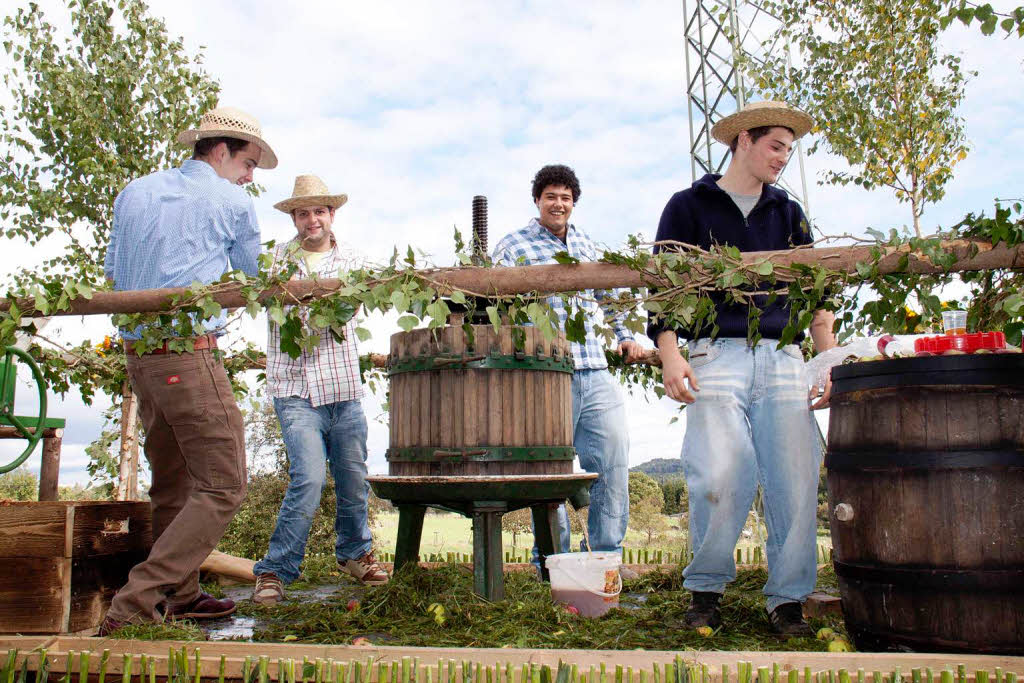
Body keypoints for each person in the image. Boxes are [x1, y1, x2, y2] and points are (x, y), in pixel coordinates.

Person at [648, 101, 836, 636]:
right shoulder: (688, 206)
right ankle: (706, 591)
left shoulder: (789, 214)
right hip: (714, 352)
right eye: (776, 146)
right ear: (744, 141)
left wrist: (825, 360)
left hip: (783, 356)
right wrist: (670, 352)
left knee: (795, 478)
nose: (783, 158)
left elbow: (816, 294)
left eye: (790, 150)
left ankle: (788, 599)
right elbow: (663, 288)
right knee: (719, 471)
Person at [100, 105, 277, 634]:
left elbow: (113, 273)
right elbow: (253, 278)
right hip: (185, 352)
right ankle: (135, 603)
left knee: (173, 483)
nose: (250, 177)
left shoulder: (134, 192)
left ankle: (180, 595)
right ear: (220, 151)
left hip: (140, 357)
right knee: (225, 483)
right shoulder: (232, 201)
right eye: (248, 163)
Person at [492, 164, 645, 559]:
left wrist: (626, 338)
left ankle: (605, 554)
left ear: (573, 202)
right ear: (537, 200)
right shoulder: (514, 247)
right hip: (543, 376)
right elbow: (495, 310)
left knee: (612, 464)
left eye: (565, 197)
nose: (558, 204)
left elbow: (612, 300)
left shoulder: (589, 247)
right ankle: (552, 560)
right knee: (549, 474)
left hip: (594, 370)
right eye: (551, 196)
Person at [250, 175, 387, 605]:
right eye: (303, 212)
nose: (312, 219)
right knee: (308, 478)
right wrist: (319, 308)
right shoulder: (273, 262)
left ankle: (354, 554)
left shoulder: (354, 261)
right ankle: (275, 570)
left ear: (332, 215)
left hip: (343, 386)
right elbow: (272, 311)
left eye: (320, 211)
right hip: (294, 389)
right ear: (293, 217)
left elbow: (352, 308)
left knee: (353, 477)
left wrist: (320, 307)